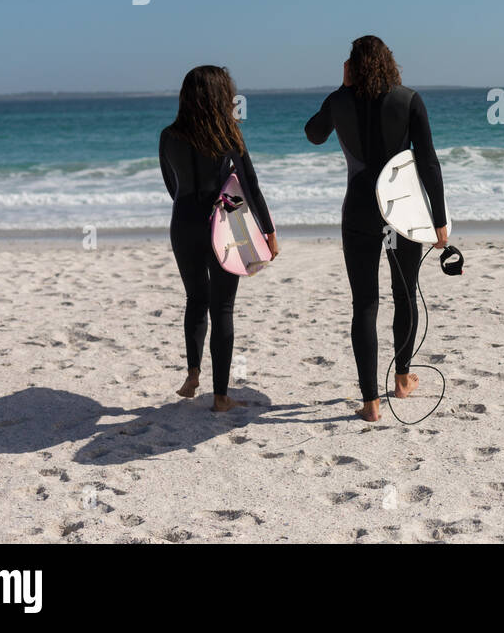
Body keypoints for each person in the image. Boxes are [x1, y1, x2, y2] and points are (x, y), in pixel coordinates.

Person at [305, 36, 447, 422]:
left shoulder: (340, 101)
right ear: (389, 62)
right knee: (405, 297)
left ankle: (370, 404)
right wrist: (440, 221)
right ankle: (401, 380)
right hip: (402, 214)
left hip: (359, 213)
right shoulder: (408, 99)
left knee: (365, 305)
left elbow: (313, 133)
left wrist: (341, 88)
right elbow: (429, 162)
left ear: (352, 66)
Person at [159, 65, 278, 412]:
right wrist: (267, 231)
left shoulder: (168, 135)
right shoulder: (228, 135)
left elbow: (172, 184)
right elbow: (250, 186)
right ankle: (221, 397)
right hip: (223, 223)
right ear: (220, 96)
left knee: (196, 298)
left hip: (183, 221)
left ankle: (193, 373)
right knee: (222, 307)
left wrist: (190, 211)